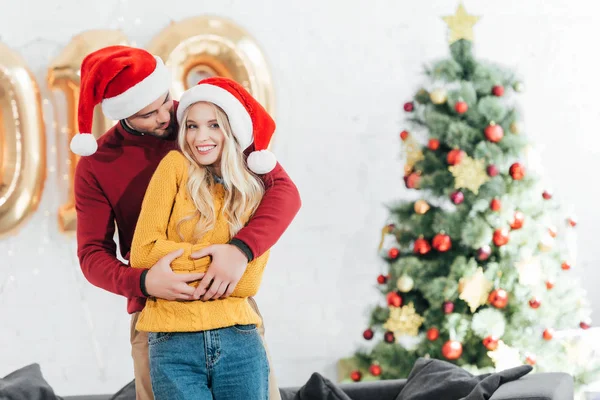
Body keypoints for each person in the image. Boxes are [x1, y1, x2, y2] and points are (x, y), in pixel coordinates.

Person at [72, 46, 300, 400]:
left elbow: (283, 192)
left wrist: (240, 250)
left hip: (230, 308)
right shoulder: (98, 164)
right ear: (123, 113)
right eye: (149, 113)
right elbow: (91, 256)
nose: (167, 116)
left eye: (166, 100)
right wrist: (144, 280)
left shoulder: (207, 123)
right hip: (158, 319)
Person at [129, 76, 286, 400]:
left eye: (214, 125)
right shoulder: (173, 166)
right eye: (191, 126)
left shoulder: (252, 186)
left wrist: (175, 261)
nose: (201, 137)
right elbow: (143, 252)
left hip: (239, 339)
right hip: (172, 342)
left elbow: (247, 282)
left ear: (231, 130)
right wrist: (222, 259)